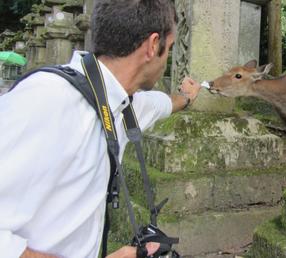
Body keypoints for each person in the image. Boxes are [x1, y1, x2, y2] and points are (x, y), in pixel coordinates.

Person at [0, 0, 201, 257]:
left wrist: (185, 97)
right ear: (153, 46)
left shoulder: (121, 101)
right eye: (169, 48)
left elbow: (159, 104)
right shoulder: (47, 101)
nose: (167, 60)